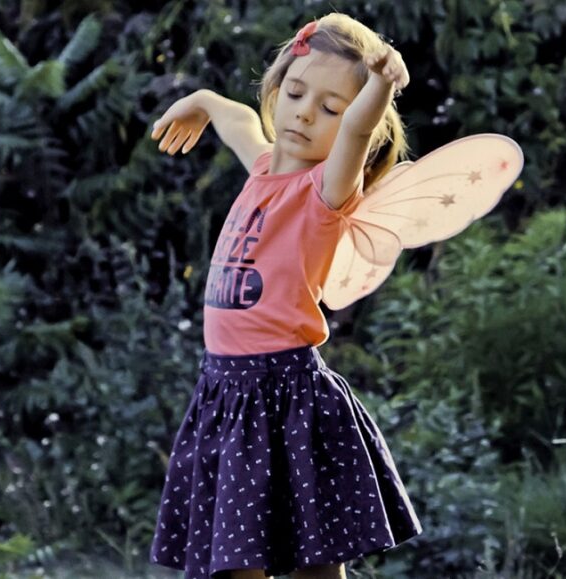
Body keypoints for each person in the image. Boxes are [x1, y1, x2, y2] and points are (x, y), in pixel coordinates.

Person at [148, 12, 423, 579]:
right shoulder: (266, 166)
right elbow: (239, 120)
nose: (304, 112)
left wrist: (381, 86)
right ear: (279, 87)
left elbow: (355, 132)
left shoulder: (324, 193)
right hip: (225, 391)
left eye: (329, 107)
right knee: (236, 558)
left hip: (283, 392)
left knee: (312, 564)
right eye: (296, 92)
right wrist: (201, 98)